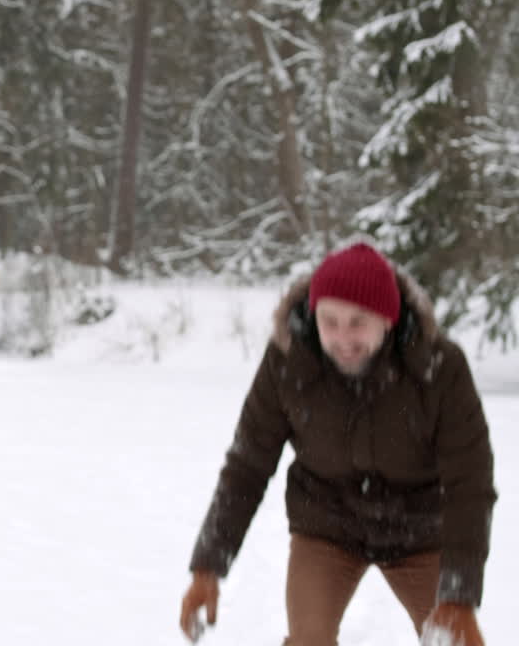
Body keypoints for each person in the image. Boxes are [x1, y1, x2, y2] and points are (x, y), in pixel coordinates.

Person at [179, 242, 495, 645]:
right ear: (314, 316)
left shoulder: (439, 367)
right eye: (330, 321)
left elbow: (470, 482)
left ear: (388, 318)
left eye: (358, 322)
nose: (343, 338)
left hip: (419, 528)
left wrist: (460, 594)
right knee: (309, 639)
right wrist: (207, 567)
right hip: (327, 523)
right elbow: (248, 465)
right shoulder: (288, 361)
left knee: (457, 642)